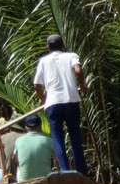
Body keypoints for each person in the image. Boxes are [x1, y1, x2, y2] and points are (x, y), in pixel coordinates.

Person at [33, 33, 88, 174]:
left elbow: (37, 85)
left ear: (48, 47)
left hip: (54, 104)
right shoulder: (71, 56)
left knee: (58, 141)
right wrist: (82, 86)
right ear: (62, 46)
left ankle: (65, 172)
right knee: (75, 139)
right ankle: (81, 173)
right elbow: (78, 70)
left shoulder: (43, 61)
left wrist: (44, 100)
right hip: (71, 102)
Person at [12, 114, 58, 181]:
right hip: (45, 180)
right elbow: (58, 158)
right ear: (40, 127)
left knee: (18, 168)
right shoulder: (49, 140)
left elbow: (14, 158)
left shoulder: (19, 141)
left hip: (24, 181)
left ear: (26, 128)